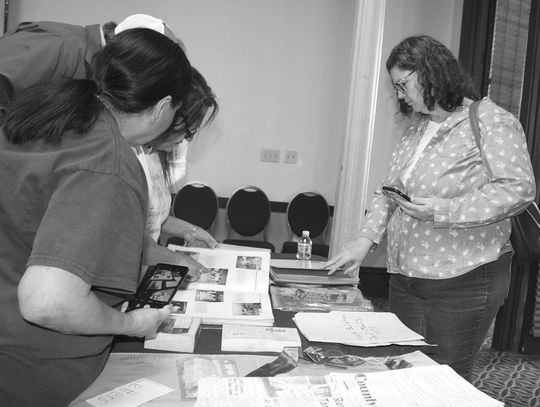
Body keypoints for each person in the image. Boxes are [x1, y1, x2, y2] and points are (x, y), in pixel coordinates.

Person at [325, 35, 536, 380]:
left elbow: (518, 189)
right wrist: (365, 240)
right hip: (406, 280)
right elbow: (388, 191)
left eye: (403, 84)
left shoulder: (490, 120)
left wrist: (444, 210)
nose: (400, 95)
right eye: (395, 87)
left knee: (443, 383)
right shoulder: (416, 129)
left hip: (463, 280)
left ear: (431, 70)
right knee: (402, 374)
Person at [0, 28, 191, 405]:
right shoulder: (109, 163)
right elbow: (47, 301)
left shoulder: (48, 115)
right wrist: (131, 324)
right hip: (30, 373)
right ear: (163, 106)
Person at [0, 15, 219, 279]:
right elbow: (47, 300)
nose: (185, 140)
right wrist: (133, 323)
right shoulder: (106, 154)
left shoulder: (100, 133)